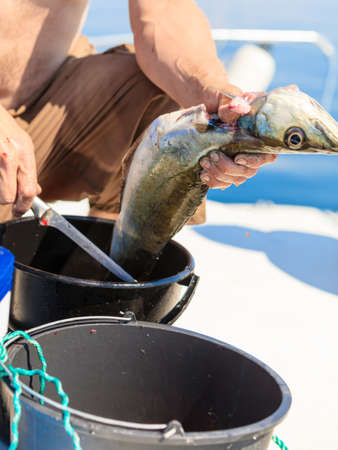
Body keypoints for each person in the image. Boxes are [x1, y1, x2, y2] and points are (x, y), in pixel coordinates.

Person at [0, 0, 277, 224]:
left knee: (162, 99)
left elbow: (166, 10)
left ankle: (109, 269)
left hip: (43, 100)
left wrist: (218, 99)